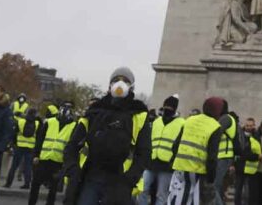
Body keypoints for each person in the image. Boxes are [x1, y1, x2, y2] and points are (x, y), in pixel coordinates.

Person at [63, 66, 151, 205]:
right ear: (110, 84)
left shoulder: (139, 115)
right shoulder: (94, 112)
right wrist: (72, 169)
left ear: (131, 86)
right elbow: (72, 145)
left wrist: (129, 179)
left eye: (125, 81)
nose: (120, 84)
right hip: (90, 178)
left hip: (119, 182)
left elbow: (144, 153)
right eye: (116, 80)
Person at [172, 98, 228, 205]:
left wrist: (174, 161)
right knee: (193, 200)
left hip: (179, 168)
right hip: (197, 172)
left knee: (177, 198)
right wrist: (211, 178)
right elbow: (212, 157)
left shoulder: (189, 120)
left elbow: (175, 145)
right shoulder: (215, 127)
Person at [30, 101, 77, 205]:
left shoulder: (74, 125)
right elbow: (40, 140)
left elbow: (72, 145)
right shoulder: (50, 122)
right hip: (43, 159)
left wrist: (67, 162)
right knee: (35, 185)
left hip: (58, 162)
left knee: (53, 189)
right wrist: (36, 155)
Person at [144, 95, 184, 205]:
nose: (167, 109)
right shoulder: (157, 122)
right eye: (166, 106)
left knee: (162, 195)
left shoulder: (181, 123)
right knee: (142, 189)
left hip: (167, 165)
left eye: (170, 107)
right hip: (151, 161)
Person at [6, 107, 40, 189]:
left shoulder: (20, 121)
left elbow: (14, 133)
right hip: (30, 147)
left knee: (14, 166)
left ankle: (8, 183)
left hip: (19, 146)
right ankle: (27, 184)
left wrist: (13, 144)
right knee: (28, 166)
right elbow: (39, 137)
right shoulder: (37, 123)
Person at [235, 117, 259, 205]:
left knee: (247, 192)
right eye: (247, 125)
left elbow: (257, 152)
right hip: (240, 167)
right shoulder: (240, 136)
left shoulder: (257, 136)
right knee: (238, 191)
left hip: (251, 168)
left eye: (251, 126)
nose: (248, 127)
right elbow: (238, 151)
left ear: (254, 126)